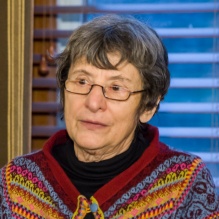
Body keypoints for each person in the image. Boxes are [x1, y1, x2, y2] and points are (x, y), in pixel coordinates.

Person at [0, 14, 219, 219]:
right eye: (82, 81)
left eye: (116, 87)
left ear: (148, 106)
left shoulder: (184, 184)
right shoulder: (16, 184)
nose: (93, 102)